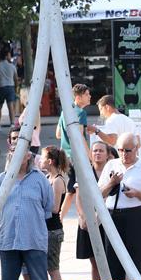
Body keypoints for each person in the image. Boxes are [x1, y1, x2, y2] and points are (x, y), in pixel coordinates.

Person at [96, 133, 141, 280]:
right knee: (114, 267)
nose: (123, 154)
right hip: (112, 215)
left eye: (127, 150)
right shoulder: (111, 165)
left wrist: (137, 193)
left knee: (138, 265)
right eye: (120, 150)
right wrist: (112, 183)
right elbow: (97, 193)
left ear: (137, 149)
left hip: (136, 216)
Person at [0, 140, 53, 280]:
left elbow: (48, 207)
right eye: (13, 151)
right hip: (9, 242)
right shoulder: (3, 178)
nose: (16, 154)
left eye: (21, 151)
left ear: (29, 155)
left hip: (33, 241)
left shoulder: (40, 179)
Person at [25, 146, 67, 280]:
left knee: (53, 269)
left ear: (50, 161)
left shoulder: (57, 180)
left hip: (52, 230)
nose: (39, 161)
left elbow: (55, 208)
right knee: (42, 268)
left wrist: (36, 207)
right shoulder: (48, 178)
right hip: (44, 229)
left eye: (42, 158)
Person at [74, 141, 113, 280]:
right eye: (94, 150)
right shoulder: (84, 172)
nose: (97, 153)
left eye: (100, 151)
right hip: (89, 222)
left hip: (108, 221)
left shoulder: (113, 171)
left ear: (107, 154)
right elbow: (79, 197)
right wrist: (83, 216)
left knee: (110, 263)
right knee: (95, 263)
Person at [56, 83, 91, 219]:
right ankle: (80, 217)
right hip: (76, 156)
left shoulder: (65, 111)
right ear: (79, 97)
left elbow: (58, 134)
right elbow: (80, 138)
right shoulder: (81, 113)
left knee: (71, 189)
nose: (90, 97)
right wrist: (90, 156)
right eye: (87, 94)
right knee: (77, 189)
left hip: (64, 155)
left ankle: (61, 217)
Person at [0, 50, 18, 129]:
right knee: (10, 106)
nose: (11, 57)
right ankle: (12, 123)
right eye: (9, 55)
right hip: (10, 87)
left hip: (1, 87)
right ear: (6, 56)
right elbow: (16, 79)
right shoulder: (12, 66)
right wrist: (16, 88)